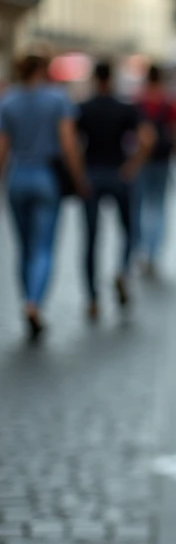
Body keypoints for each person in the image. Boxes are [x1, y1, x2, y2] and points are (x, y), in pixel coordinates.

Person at [0, 52, 88, 341]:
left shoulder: (8, 101)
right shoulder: (57, 99)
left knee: (24, 247)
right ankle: (34, 302)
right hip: (47, 177)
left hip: (17, 177)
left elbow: (2, 148)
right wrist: (78, 179)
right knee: (43, 247)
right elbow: (68, 143)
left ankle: (27, 297)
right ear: (43, 70)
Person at [76, 60, 155, 320]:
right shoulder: (125, 108)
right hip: (118, 174)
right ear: (111, 79)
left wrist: (78, 173)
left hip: (92, 174)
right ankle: (122, 270)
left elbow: (70, 142)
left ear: (94, 79)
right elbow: (147, 138)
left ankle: (92, 298)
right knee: (129, 229)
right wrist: (133, 165)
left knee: (90, 237)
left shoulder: (83, 108)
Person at [135, 64, 176, 279]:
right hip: (163, 160)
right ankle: (154, 253)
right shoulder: (169, 102)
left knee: (142, 206)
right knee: (160, 207)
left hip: (142, 161)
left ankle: (143, 250)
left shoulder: (139, 101)